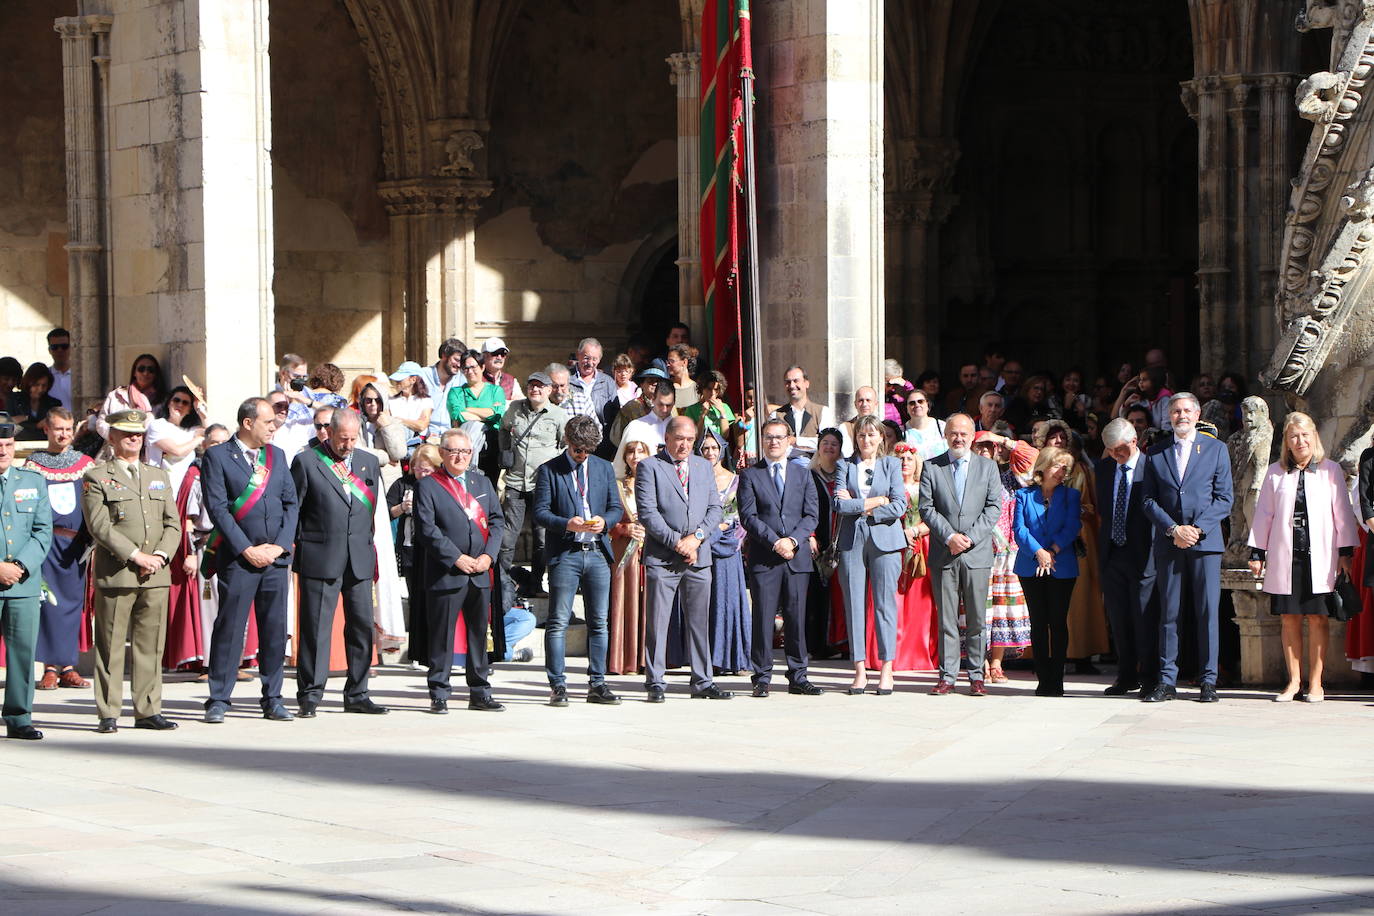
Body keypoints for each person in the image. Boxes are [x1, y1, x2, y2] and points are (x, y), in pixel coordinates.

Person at [200, 397, 300, 723]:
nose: (274, 426)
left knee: (274, 629)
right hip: (239, 558)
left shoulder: (277, 456)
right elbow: (218, 509)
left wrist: (280, 546)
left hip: (274, 559)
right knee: (230, 628)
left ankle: (273, 697)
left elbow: (290, 504)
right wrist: (246, 549)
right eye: (268, 421)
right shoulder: (217, 456)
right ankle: (219, 697)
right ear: (247, 423)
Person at [1247, 412, 1359, 703]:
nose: (1300, 441)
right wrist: (1257, 552)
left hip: (1320, 553)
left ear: (1314, 437)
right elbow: (1264, 515)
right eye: (1294, 436)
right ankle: (1293, 681)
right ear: (1286, 441)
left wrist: (1345, 553)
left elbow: (1343, 515)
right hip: (1287, 552)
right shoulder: (1276, 471)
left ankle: (1316, 683)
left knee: (1317, 617)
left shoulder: (1330, 470)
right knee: (1289, 617)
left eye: (1305, 435)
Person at [83, 409, 181, 733]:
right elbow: (100, 526)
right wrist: (136, 555)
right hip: (119, 573)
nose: (134, 439)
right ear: (112, 438)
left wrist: (161, 556)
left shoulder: (158, 475)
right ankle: (108, 712)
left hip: (155, 574)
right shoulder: (97, 476)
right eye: (126, 434)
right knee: (110, 645)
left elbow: (173, 524)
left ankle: (148, 709)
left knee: (150, 645)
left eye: (138, 434)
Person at [290, 408, 386, 717]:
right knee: (316, 628)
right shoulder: (307, 462)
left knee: (361, 628)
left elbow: (369, 513)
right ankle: (310, 694)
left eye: (353, 438)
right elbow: (295, 511)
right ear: (328, 433)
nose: (348, 445)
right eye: (342, 439)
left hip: (358, 557)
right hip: (320, 557)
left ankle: (357, 693)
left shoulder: (368, 462)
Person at [1140, 392, 1234, 703]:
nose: (1181, 415)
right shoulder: (1155, 453)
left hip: (1205, 543)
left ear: (1196, 415)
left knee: (1207, 612)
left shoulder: (1216, 449)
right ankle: (1167, 680)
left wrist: (1196, 530)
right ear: (1169, 416)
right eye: (1175, 411)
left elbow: (1224, 499)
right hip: (1169, 542)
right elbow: (1148, 500)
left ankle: (1208, 680)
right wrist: (1173, 529)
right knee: (1169, 612)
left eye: (1186, 410)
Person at [635, 416, 729, 701]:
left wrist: (697, 538)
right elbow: (648, 513)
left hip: (698, 557)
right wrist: (678, 543)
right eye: (680, 439)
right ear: (667, 437)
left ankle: (703, 681)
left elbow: (715, 509)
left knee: (699, 622)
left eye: (690, 440)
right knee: (658, 621)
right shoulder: (650, 467)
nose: (685, 445)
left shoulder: (702, 466)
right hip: (663, 557)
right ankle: (655, 681)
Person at [532, 414, 623, 706]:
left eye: (588, 451)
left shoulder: (603, 468)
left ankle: (597, 683)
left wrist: (604, 522)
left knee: (599, 621)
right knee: (558, 620)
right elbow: (540, 513)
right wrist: (565, 524)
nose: (583, 456)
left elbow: (615, 508)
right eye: (578, 450)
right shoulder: (549, 470)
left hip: (596, 551)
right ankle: (557, 685)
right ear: (567, 442)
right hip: (566, 554)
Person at [413, 427, 505, 714]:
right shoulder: (429, 486)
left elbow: (497, 522)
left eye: (465, 451)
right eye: (453, 451)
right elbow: (427, 529)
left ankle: (479, 691)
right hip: (447, 572)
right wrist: (455, 558)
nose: (459, 457)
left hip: (479, 571)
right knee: (442, 635)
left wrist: (489, 556)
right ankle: (439, 692)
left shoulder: (481, 481)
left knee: (479, 633)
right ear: (442, 453)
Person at [919, 413, 1003, 696]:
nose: (958, 438)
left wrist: (969, 538)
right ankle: (947, 676)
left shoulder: (988, 467)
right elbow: (927, 508)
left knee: (978, 618)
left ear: (972, 436)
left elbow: (993, 508)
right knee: (946, 619)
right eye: (954, 433)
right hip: (945, 552)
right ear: (946, 435)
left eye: (964, 434)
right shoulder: (932, 467)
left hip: (976, 554)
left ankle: (977, 675)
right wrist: (949, 536)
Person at [737, 419, 821, 695]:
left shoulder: (803, 474)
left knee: (796, 617)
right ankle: (761, 677)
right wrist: (775, 542)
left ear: (789, 440)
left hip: (797, 557)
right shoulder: (751, 475)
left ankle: (798, 675)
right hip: (765, 556)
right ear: (762, 440)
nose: (774, 442)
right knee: (763, 618)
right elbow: (748, 516)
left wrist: (794, 541)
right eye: (769, 437)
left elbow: (812, 515)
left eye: (779, 437)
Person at [834, 415, 907, 694]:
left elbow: (900, 504)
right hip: (853, 539)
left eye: (871, 435)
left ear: (881, 438)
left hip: (885, 539)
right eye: (862, 435)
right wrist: (875, 500)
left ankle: (886, 669)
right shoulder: (844, 465)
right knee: (853, 603)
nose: (866, 440)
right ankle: (860, 669)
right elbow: (839, 505)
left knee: (884, 604)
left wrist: (867, 509)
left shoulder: (891, 464)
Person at [24, 407, 94, 692]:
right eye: (58, 429)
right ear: (47, 430)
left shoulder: (85, 464)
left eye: (67, 429)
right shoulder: (33, 465)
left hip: (76, 545)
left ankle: (68, 666)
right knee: (46, 604)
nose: (63, 434)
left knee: (72, 605)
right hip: (45, 543)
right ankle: (49, 668)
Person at [1096, 418, 1159, 695]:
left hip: (1144, 553)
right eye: (1110, 450)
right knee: (1119, 618)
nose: (1116, 455)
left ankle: (1149, 676)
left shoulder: (1152, 467)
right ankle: (1125, 676)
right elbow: (1104, 511)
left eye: (1120, 449)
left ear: (1134, 441)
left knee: (1144, 618)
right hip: (1113, 553)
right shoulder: (1105, 468)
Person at [1013, 445, 1083, 697]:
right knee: (1038, 622)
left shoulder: (1071, 496)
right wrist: (1038, 552)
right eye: (1057, 466)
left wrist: (1051, 551)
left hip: (1061, 564)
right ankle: (1043, 678)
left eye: (1065, 468)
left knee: (1058, 622)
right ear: (1043, 466)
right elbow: (1019, 530)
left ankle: (1057, 678)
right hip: (1030, 565)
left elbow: (1073, 525)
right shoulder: (1023, 495)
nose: (1061, 472)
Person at [0, 412, 53, 740]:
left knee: (22, 653)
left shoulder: (32, 481)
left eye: (7, 444)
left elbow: (42, 530)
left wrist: (19, 566)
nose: (2, 451)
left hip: (22, 582)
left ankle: (19, 716)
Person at [499, 371, 568, 601]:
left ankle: (537, 583)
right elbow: (503, 428)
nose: (535, 390)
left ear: (549, 390)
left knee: (542, 538)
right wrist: (505, 453)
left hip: (543, 484)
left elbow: (565, 444)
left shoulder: (559, 415)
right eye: (532, 386)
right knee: (508, 535)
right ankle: (502, 581)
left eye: (540, 386)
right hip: (516, 480)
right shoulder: (515, 408)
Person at [977, 434, 1033, 682]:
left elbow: (1033, 460)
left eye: (989, 448)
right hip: (978, 552)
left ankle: (997, 662)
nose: (985, 452)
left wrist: (1003, 440)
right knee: (980, 609)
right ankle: (980, 662)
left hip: (1007, 555)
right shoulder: (966, 478)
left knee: (1002, 609)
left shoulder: (1009, 478)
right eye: (979, 448)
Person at [697, 429, 751, 675]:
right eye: (705, 448)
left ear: (722, 450)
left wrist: (731, 538)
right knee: (707, 603)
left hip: (729, 547)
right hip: (702, 545)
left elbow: (741, 517)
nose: (710, 452)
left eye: (714, 448)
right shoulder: (695, 479)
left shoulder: (736, 480)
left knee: (729, 602)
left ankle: (735, 658)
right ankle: (711, 660)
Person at [387, 443, 443, 668]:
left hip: (436, 550)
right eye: (418, 468)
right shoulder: (403, 484)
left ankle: (436, 650)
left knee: (436, 601)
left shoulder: (440, 485)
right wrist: (403, 507)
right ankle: (418, 652)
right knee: (416, 599)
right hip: (411, 549)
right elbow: (385, 511)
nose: (421, 473)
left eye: (427, 469)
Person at [887, 442, 938, 672]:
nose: (904, 463)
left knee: (921, 602)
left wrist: (915, 531)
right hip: (893, 545)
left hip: (921, 545)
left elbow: (936, 517)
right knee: (894, 600)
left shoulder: (924, 487)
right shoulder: (886, 488)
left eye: (908, 458)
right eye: (899, 459)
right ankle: (892, 654)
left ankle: (918, 652)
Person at [607, 435, 654, 675]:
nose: (636, 456)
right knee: (623, 600)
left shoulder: (658, 483)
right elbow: (604, 520)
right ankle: (622, 660)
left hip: (652, 549)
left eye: (641, 451)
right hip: (623, 549)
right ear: (625, 457)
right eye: (631, 451)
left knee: (649, 603)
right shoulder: (616, 486)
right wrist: (623, 528)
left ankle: (647, 661)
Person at [806, 428, 846, 658]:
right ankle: (817, 645)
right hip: (816, 543)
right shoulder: (808, 475)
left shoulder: (844, 476)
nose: (829, 447)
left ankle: (841, 643)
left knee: (840, 596)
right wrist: (810, 535)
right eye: (825, 443)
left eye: (834, 444)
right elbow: (801, 508)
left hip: (841, 542)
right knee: (817, 594)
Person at [449, 350, 508, 481]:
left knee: (489, 486)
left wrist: (469, 409)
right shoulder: (456, 392)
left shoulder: (496, 390)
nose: (470, 371)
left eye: (473, 367)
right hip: (465, 447)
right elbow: (459, 415)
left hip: (492, 446)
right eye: (466, 368)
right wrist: (486, 413)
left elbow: (497, 414)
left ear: (482, 367)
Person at [146, 385, 206, 495]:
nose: (180, 404)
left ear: (189, 409)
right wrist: (199, 438)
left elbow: (212, 434)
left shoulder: (190, 431)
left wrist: (199, 407)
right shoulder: (157, 425)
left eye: (185, 403)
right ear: (169, 403)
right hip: (158, 490)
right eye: (176, 400)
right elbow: (177, 451)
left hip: (183, 492)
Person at [92, 353, 166, 441]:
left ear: (155, 375)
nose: (145, 373)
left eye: (151, 370)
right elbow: (102, 422)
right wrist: (116, 438)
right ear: (134, 372)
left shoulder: (163, 401)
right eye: (141, 369)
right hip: (117, 449)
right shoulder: (116, 395)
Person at [775, 365, 835, 459]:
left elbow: (828, 444)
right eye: (788, 382)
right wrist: (812, 442)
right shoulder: (776, 415)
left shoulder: (823, 412)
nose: (791, 385)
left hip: (814, 468)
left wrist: (795, 441)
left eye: (796, 381)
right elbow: (774, 446)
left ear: (806, 383)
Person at [352, 377, 408, 465]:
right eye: (369, 400)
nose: (373, 404)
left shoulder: (394, 423)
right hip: (363, 473)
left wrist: (386, 427)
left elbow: (399, 454)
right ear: (363, 402)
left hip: (388, 476)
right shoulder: (355, 422)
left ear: (384, 401)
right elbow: (355, 451)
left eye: (378, 401)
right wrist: (385, 458)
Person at [419, 337, 468, 435]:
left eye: (462, 362)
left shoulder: (462, 379)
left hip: (451, 435)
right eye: (456, 360)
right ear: (444, 356)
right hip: (424, 435)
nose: (459, 365)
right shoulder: (423, 375)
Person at [621, 386, 678, 458]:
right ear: (653, 400)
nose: (664, 409)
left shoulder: (681, 428)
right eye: (660, 404)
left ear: (674, 403)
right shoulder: (635, 427)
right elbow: (622, 462)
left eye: (668, 405)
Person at [683, 370, 737, 445]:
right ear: (702, 389)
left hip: (719, 448)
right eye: (709, 389)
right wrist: (702, 415)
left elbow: (725, 435)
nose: (712, 393)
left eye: (716, 389)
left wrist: (722, 412)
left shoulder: (724, 407)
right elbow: (697, 436)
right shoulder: (691, 409)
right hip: (700, 449)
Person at [8, 363, 60, 441]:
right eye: (36, 385)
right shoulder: (13, 400)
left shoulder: (54, 404)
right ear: (28, 383)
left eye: (44, 385)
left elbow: (54, 431)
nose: (40, 389)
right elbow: (10, 428)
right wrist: (37, 426)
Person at [568, 337, 616, 417]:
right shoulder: (566, 379)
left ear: (599, 360)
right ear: (578, 355)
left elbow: (614, 413)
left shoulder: (607, 382)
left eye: (594, 359)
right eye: (586, 358)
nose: (590, 363)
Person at [386, 362, 434, 437]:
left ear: (413, 379)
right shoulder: (391, 401)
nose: (396, 382)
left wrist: (398, 420)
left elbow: (422, 425)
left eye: (400, 379)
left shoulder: (426, 401)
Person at [901, 389, 947, 460]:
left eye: (920, 401)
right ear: (907, 408)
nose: (917, 405)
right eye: (912, 403)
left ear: (927, 404)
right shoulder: (902, 432)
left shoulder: (942, 427)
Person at [839, 386, 882, 456]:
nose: (864, 404)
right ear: (855, 404)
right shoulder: (845, 427)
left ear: (876, 404)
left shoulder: (882, 427)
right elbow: (846, 454)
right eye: (860, 400)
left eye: (868, 400)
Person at [480, 337, 524, 402]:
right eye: (495, 353)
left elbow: (521, 404)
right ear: (484, 356)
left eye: (503, 353)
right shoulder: (476, 379)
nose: (499, 357)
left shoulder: (511, 381)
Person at [664, 344, 698, 409]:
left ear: (684, 362)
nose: (668, 364)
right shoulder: (665, 387)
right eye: (667, 361)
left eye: (671, 361)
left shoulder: (697, 389)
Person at [46, 327, 72, 408]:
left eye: (64, 346)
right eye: (55, 347)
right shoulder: (45, 377)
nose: (59, 350)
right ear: (49, 350)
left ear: (70, 348)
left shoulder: (82, 377)